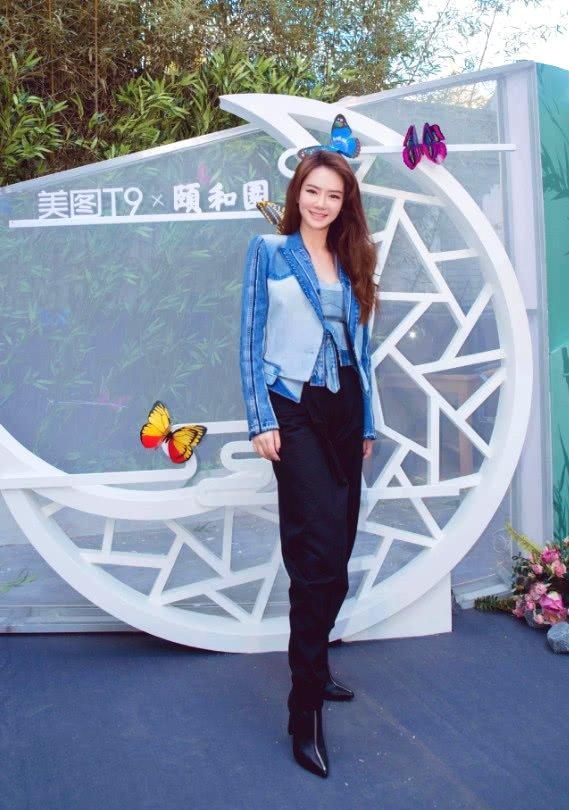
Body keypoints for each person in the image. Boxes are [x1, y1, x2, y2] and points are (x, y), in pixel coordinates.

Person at [239, 149, 379, 778]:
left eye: (334, 195)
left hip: (345, 408)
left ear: (346, 203)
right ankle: (303, 710)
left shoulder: (352, 258)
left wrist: (367, 420)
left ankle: (317, 668)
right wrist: (260, 418)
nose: (321, 203)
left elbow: (361, 349)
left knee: (338, 551)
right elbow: (250, 337)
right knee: (315, 551)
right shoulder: (269, 253)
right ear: (297, 193)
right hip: (292, 408)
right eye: (313, 191)